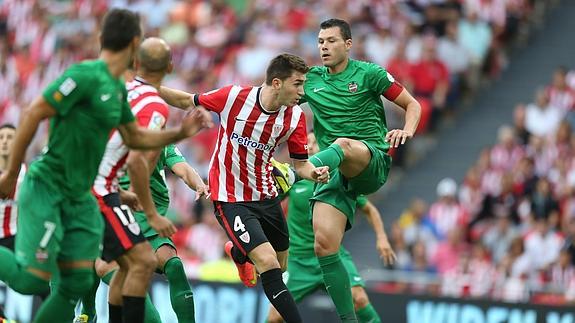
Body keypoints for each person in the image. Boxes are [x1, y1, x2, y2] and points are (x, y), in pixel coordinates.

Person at [0, 9, 210, 323]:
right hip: (50, 186)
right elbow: (32, 114)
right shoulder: (85, 76)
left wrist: (180, 132)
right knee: (33, 279)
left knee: (92, 276)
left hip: (84, 193)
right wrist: (12, 173)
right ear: (134, 43)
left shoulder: (118, 91)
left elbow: (135, 137)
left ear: (101, 39)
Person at [161, 53, 330, 323]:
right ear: (277, 83)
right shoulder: (234, 98)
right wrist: (148, 86)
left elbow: (301, 165)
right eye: (297, 84)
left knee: (281, 265)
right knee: (269, 264)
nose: (302, 91)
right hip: (230, 198)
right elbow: (187, 100)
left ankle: (238, 252)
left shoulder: (294, 117)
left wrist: (315, 172)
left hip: (266, 196)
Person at [300, 18, 421, 321]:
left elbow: (413, 105)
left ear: (348, 44)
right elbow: (274, 97)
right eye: (320, 41)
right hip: (335, 175)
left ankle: (292, 174)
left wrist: (407, 130)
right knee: (324, 245)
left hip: (370, 161)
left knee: (343, 145)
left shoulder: (369, 74)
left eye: (330, 40)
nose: (324, 46)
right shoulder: (312, 80)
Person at [267, 132, 396, 323]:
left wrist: (382, 238)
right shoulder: (295, 179)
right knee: (274, 318)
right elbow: (271, 204)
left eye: (314, 143)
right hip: (299, 261)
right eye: (306, 143)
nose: (309, 147)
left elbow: (369, 210)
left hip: (332, 256)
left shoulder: (336, 179)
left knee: (359, 299)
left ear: (326, 149)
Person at [0, 124, 26, 321]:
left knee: (40, 279)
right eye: (1, 137)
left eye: (10, 137)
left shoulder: (27, 172)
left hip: (17, 238)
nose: (5, 141)